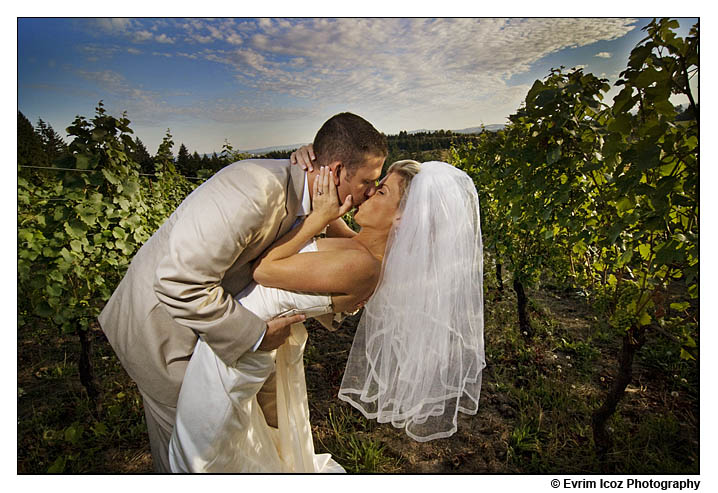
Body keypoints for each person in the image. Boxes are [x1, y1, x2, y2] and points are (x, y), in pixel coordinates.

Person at [98, 112, 388, 472]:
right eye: (368, 181)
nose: (371, 191)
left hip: (221, 334)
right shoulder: (253, 191)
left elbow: (342, 258)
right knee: (188, 451)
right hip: (165, 331)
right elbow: (178, 283)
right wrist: (257, 335)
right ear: (339, 169)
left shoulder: (316, 198)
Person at [168, 151, 485, 472]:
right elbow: (336, 225)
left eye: (383, 191)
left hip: (237, 354)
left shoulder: (362, 265)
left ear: (402, 217)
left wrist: (317, 219)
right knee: (222, 446)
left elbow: (263, 271)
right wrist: (317, 164)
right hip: (238, 338)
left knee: (201, 454)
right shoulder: (362, 247)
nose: (371, 192)